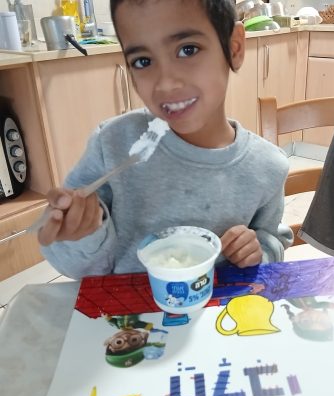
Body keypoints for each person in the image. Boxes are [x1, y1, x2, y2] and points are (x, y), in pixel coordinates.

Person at [39, 0, 293, 278]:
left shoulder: (267, 167)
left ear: (234, 47)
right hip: (126, 304)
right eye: (143, 61)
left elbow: (272, 240)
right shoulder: (113, 144)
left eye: (188, 50)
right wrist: (82, 235)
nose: (166, 83)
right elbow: (80, 272)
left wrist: (258, 252)